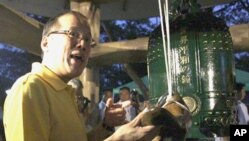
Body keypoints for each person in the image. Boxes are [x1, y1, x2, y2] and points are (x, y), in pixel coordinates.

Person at [3, 11, 158, 141]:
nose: (83, 44)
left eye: (87, 39)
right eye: (73, 34)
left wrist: (106, 126)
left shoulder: (66, 92)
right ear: (46, 43)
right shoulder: (30, 89)